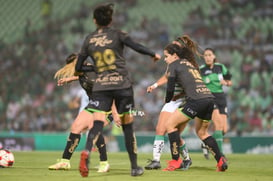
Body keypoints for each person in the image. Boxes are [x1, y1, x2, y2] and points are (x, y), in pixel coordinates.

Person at [74, 3, 161, 177]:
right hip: (122, 85)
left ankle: (87, 151)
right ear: (111, 19)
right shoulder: (118, 34)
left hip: (101, 86)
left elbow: (78, 66)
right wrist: (153, 53)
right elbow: (136, 46)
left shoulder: (89, 39)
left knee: (97, 123)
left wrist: (88, 70)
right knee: (127, 126)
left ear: (94, 21)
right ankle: (135, 167)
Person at [162, 42, 228, 172]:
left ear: (174, 56)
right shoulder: (190, 64)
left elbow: (170, 88)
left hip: (196, 101)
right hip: (209, 99)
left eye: (166, 56)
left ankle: (175, 161)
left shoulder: (174, 65)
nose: (165, 59)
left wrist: (167, 101)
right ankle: (220, 161)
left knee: (169, 125)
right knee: (202, 133)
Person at [48, 53, 119, 173]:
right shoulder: (82, 71)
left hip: (106, 104)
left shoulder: (93, 71)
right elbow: (81, 76)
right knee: (76, 127)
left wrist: (115, 114)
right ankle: (65, 161)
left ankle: (104, 163)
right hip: (94, 103)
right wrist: (69, 79)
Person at [144, 64, 191, 171]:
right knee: (160, 129)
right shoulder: (171, 66)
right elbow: (166, 76)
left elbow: (191, 85)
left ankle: (187, 159)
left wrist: (179, 95)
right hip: (172, 102)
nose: (165, 59)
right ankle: (156, 161)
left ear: (175, 54)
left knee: (175, 134)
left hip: (183, 102)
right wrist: (155, 85)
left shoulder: (185, 66)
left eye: (167, 56)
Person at [200, 48, 232, 157]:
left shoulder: (220, 67)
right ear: (203, 57)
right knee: (218, 126)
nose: (208, 57)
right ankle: (220, 155)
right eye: (205, 55)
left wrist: (226, 83)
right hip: (210, 98)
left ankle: (207, 144)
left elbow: (229, 81)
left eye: (210, 55)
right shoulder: (201, 70)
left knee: (224, 129)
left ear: (214, 56)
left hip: (221, 97)